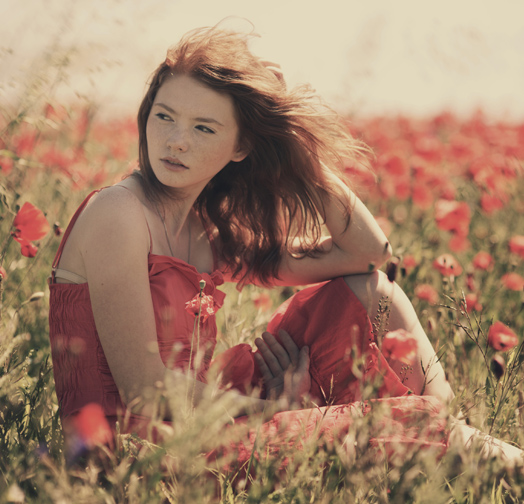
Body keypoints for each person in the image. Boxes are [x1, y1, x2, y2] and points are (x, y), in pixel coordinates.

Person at [48, 25, 522, 470]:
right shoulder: (118, 212)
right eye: (164, 116)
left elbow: (368, 255)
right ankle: (452, 446)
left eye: (203, 128)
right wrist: (274, 408)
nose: (175, 141)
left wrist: (294, 148)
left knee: (373, 294)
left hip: (204, 415)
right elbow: (144, 390)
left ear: (241, 147)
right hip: (138, 456)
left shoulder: (203, 231)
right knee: (402, 427)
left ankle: (447, 432)